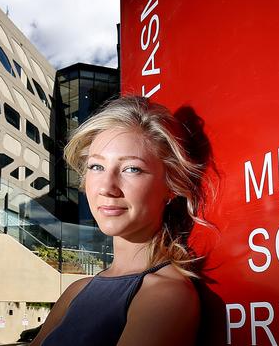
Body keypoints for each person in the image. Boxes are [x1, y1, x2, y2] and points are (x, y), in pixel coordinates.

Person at [30, 96, 211, 346]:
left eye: (131, 169)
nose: (107, 187)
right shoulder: (76, 291)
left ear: (171, 186)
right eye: (96, 167)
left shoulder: (164, 295)